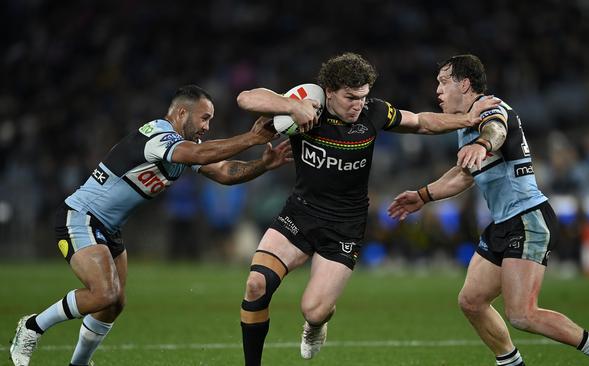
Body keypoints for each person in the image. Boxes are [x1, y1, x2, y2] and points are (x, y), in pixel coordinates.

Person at [235, 52, 501, 365]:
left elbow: (421, 122)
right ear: (329, 92)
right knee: (256, 285)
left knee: (314, 309)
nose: (357, 104)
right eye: (350, 97)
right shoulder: (308, 107)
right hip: (300, 214)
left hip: (345, 226)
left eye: (363, 97)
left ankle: (317, 324)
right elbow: (247, 98)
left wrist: (467, 120)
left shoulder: (374, 113)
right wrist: (292, 105)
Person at [9, 85, 298, 366]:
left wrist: (262, 165)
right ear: (182, 113)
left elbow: (223, 172)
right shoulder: (157, 135)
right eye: (205, 118)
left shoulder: (185, 147)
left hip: (109, 228)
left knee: (114, 303)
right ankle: (33, 326)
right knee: (103, 294)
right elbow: (199, 155)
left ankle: (79, 363)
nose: (207, 127)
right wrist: (251, 138)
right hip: (81, 216)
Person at [387, 54, 589, 366]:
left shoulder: (492, 108)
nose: (437, 89)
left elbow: (497, 131)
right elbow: (464, 174)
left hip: (528, 219)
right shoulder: (467, 124)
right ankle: (511, 363)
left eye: (443, 82)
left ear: (464, 84)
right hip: (505, 223)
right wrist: (423, 195)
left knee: (522, 314)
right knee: (472, 301)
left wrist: (483, 145)